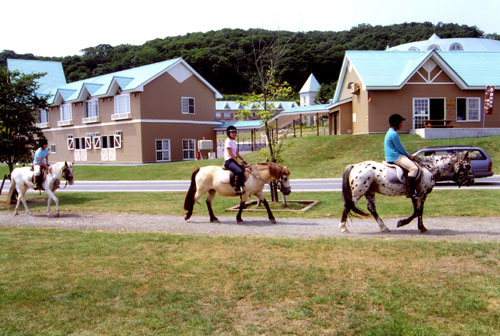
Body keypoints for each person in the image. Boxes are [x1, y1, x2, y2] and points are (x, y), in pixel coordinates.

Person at [384, 114, 420, 197]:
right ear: (396, 123)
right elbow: (400, 148)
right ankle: (409, 191)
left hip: (391, 156)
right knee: (414, 168)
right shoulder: (393, 134)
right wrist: (408, 155)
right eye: (400, 122)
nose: (401, 124)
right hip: (395, 157)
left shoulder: (389, 132)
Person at [224, 126, 247, 195]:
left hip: (234, 159)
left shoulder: (234, 142)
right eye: (232, 132)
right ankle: (236, 188)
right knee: (239, 171)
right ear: (228, 133)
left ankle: (242, 185)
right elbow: (230, 154)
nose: (233, 134)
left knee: (244, 169)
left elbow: (236, 153)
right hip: (229, 161)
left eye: (234, 132)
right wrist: (238, 162)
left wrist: (243, 160)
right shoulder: (228, 141)